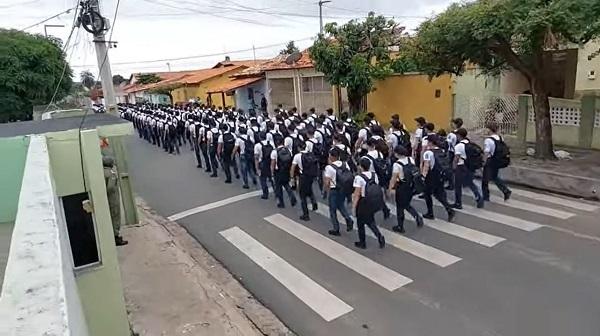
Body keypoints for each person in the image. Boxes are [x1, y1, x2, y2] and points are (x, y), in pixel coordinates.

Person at [388, 146, 424, 233]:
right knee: (406, 204)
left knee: (400, 207)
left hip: (402, 186)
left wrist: (390, 189)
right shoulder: (410, 159)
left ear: (397, 153)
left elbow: (394, 178)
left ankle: (400, 226)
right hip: (411, 186)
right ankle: (417, 217)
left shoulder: (397, 164)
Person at [352, 157, 385, 249]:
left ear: (361, 167)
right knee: (370, 220)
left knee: (360, 223)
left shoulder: (359, 178)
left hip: (363, 202)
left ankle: (363, 242)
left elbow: (357, 194)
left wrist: (354, 207)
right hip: (372, 201)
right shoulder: (374, 175)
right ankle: (379, 236)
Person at [421, 134, 456, 222]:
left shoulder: (428, 153)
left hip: (431, 177)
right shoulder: (442, 150)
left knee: (427, 194)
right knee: (439, 195)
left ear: (430, 142)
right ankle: (449, 210)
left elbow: (426, 166)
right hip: (440, 176)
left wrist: (422, 177)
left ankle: (430, 213)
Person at [323, 147, 354, 235]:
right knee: (341, 205)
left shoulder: (329, 168)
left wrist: (326, 191)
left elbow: (327, 182)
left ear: (331, 157)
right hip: (343, 189)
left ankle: (336, 229)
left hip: (334, 190)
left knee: (332, 210)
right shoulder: (345, 164)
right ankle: (348, 219)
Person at [451, 128, 484, 209]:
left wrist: (453, 168)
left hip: (461, 167)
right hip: (469, 166)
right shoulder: (470, 144)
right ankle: (478, 197)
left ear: (459, 136)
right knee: (470, 183)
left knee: (457, 185)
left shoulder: (458, 146)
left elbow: (456, 158)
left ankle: (458, 203)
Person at [482, 123, 512, 201]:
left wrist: (483, 161)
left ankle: (485, 196)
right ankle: (506, 190)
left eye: (486, 128)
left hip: (490, 160)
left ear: (489, 130)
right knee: (494, 176)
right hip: (497, 160)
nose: (485, 130)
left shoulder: (488, 140)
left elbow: (487, 152)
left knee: (485, 180)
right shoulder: (500, 138)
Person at [290, 141, 318, 220]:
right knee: (309, 189)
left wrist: (292, 178)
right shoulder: (311, 154)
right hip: (311, 176)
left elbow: (293, 167)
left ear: (299, 147)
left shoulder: (297, 156)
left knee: (302, 196)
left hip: (303, 176)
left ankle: (306, 215)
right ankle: (314, 202)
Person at [103, 156, 127, 246]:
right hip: (113, 199)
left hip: (106, 200)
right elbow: (110, 188)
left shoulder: (102, 172)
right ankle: (116, 236)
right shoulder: (111, 173)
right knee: (115, 217)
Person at [271, 136, 297, 208]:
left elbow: (273, 164)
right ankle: (292, 197)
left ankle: (281, 203)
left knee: (278, 188)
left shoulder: (275, 151)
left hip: (278, 171)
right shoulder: (288, 150)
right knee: (286, 185)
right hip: (286, 170)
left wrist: (272, 173)